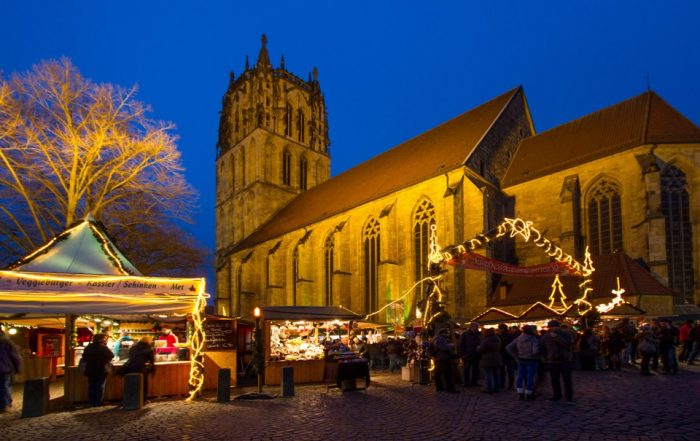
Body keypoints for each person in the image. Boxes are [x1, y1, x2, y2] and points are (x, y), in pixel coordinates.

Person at [540, 320, 574, 402]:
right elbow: (542, 349)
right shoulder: (545, 336)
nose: (554, 328)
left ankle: (569, 396)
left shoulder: (566, 334)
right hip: (552, 361)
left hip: (565, 360)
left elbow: (568, 345)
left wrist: (556, 337)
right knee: (554, 379)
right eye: (552, 327)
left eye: (555, 326)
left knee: (567, 379)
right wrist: (545, 359)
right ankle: (557, 395)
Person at [506, 324, 540, 401]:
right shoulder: (533, 339)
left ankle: (520, 393)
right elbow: (535, 351)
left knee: (520, 377)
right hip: (531, 360)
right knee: (530, 377)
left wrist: (515, 356)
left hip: (521, 359)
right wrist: (536, 355)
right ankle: (528, 393)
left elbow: (508, 347)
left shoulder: (518, 338)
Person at [82, 333, 114, 407]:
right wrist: (105, 360)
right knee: (100, 385)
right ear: (101, 339)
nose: (106, 340)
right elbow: (111, 355)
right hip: (101, 368)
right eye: (105, 338)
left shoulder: (89, 347)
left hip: (90, 369)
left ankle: (91, 401)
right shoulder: (103, 347)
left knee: (91, 385)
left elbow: (84, 357)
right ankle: (98, 401)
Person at [124, 336, 156, 404]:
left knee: (131, 384)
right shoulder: (148, 348)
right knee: (143, 384)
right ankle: (144, 400)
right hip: (140, 368)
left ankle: (131, 400)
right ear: (148, 341)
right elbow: (151, 360)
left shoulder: (134, 346)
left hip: (130, 367)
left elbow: (130, 355)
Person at [0, 330, 22, 413]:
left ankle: (5, 404)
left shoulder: (6, 343)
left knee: (4, 386)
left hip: (4, 368)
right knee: (4, 386)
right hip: (4, 369)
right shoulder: (7, 343)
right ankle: (5, 405)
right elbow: (15, 357)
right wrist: (17, 367)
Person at [431, 327, 457, 393]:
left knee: (438, 373)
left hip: (438, 358)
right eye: (447, 332)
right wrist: (451, 345)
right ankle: (450, 388)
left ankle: (439, 387)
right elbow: (444, 348)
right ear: (443, 333)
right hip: (443, 358)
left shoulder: (436, 338)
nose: (448, 333)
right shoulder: (441, 339)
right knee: (448, 373)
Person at [477, 328, 503, 393]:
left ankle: (489, 388)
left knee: (488, 374)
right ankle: (497, 388)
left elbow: (481, 349)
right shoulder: (498, 339)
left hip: (487, 359)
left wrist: (478, 348)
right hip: (497, 358)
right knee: (496, 374)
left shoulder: (486, 340)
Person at [458, 322, 481, 387]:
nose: (477, 329)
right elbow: (461, 345)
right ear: (472, 327)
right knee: (467, 369)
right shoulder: (465, 334)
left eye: (477, 327)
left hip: (476, 355)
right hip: (467, 354)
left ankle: (474, 382)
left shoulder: (479, 334)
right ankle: (466, 382)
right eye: (476, 327)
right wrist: (462, 354)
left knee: (476, 369)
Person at [497, 323, 517, 390]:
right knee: (509, 371)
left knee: (504, 370)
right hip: (508, 355)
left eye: (499, 329)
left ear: (502, 329)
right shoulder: (511, 335)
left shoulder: (499, 336)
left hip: (504, 355)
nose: (498, 330)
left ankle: (503, 384)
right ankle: (510, 385)